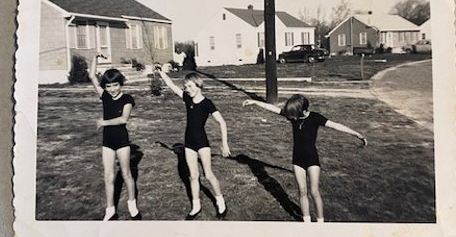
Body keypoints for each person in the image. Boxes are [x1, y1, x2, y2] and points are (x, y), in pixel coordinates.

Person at [242, 94, 367, 222]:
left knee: (314, 191)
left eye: (293, 114)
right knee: (302, 191)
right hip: (297, 160)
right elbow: (273, 109)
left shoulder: (315, 118)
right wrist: (255, 102)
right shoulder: (294, 117)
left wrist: (356, 134)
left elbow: (336, 125)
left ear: (304, 111)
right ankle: (306, 222)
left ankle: (320, 222)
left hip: (312, 159)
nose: (291, 117)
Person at [156, 66, 230, 219]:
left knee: (208, 175)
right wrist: (161, 73)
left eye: (190, 86)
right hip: (189, 143)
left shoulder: (207, 103)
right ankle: (196, 207)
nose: (187, 89)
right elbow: (172, 86)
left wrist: (225, 144)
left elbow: (222, 122)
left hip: (202, 143)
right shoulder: (187, 98)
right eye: (186, 87)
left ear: (198, 85)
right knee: (193, 176)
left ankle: (220, 202)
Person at [89, 54, 141, 221]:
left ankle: (132, 204)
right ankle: (110, 209)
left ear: (121, 84)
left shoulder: (127, 99)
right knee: (108, 176)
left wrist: (103, 122)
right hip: (107, 142)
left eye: (115, 85)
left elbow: (123, 119)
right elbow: (92, 76)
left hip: (122, 141)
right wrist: (95, 57)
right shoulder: (104, 96)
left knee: (126, 174)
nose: (112, 89)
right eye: (109, 86)